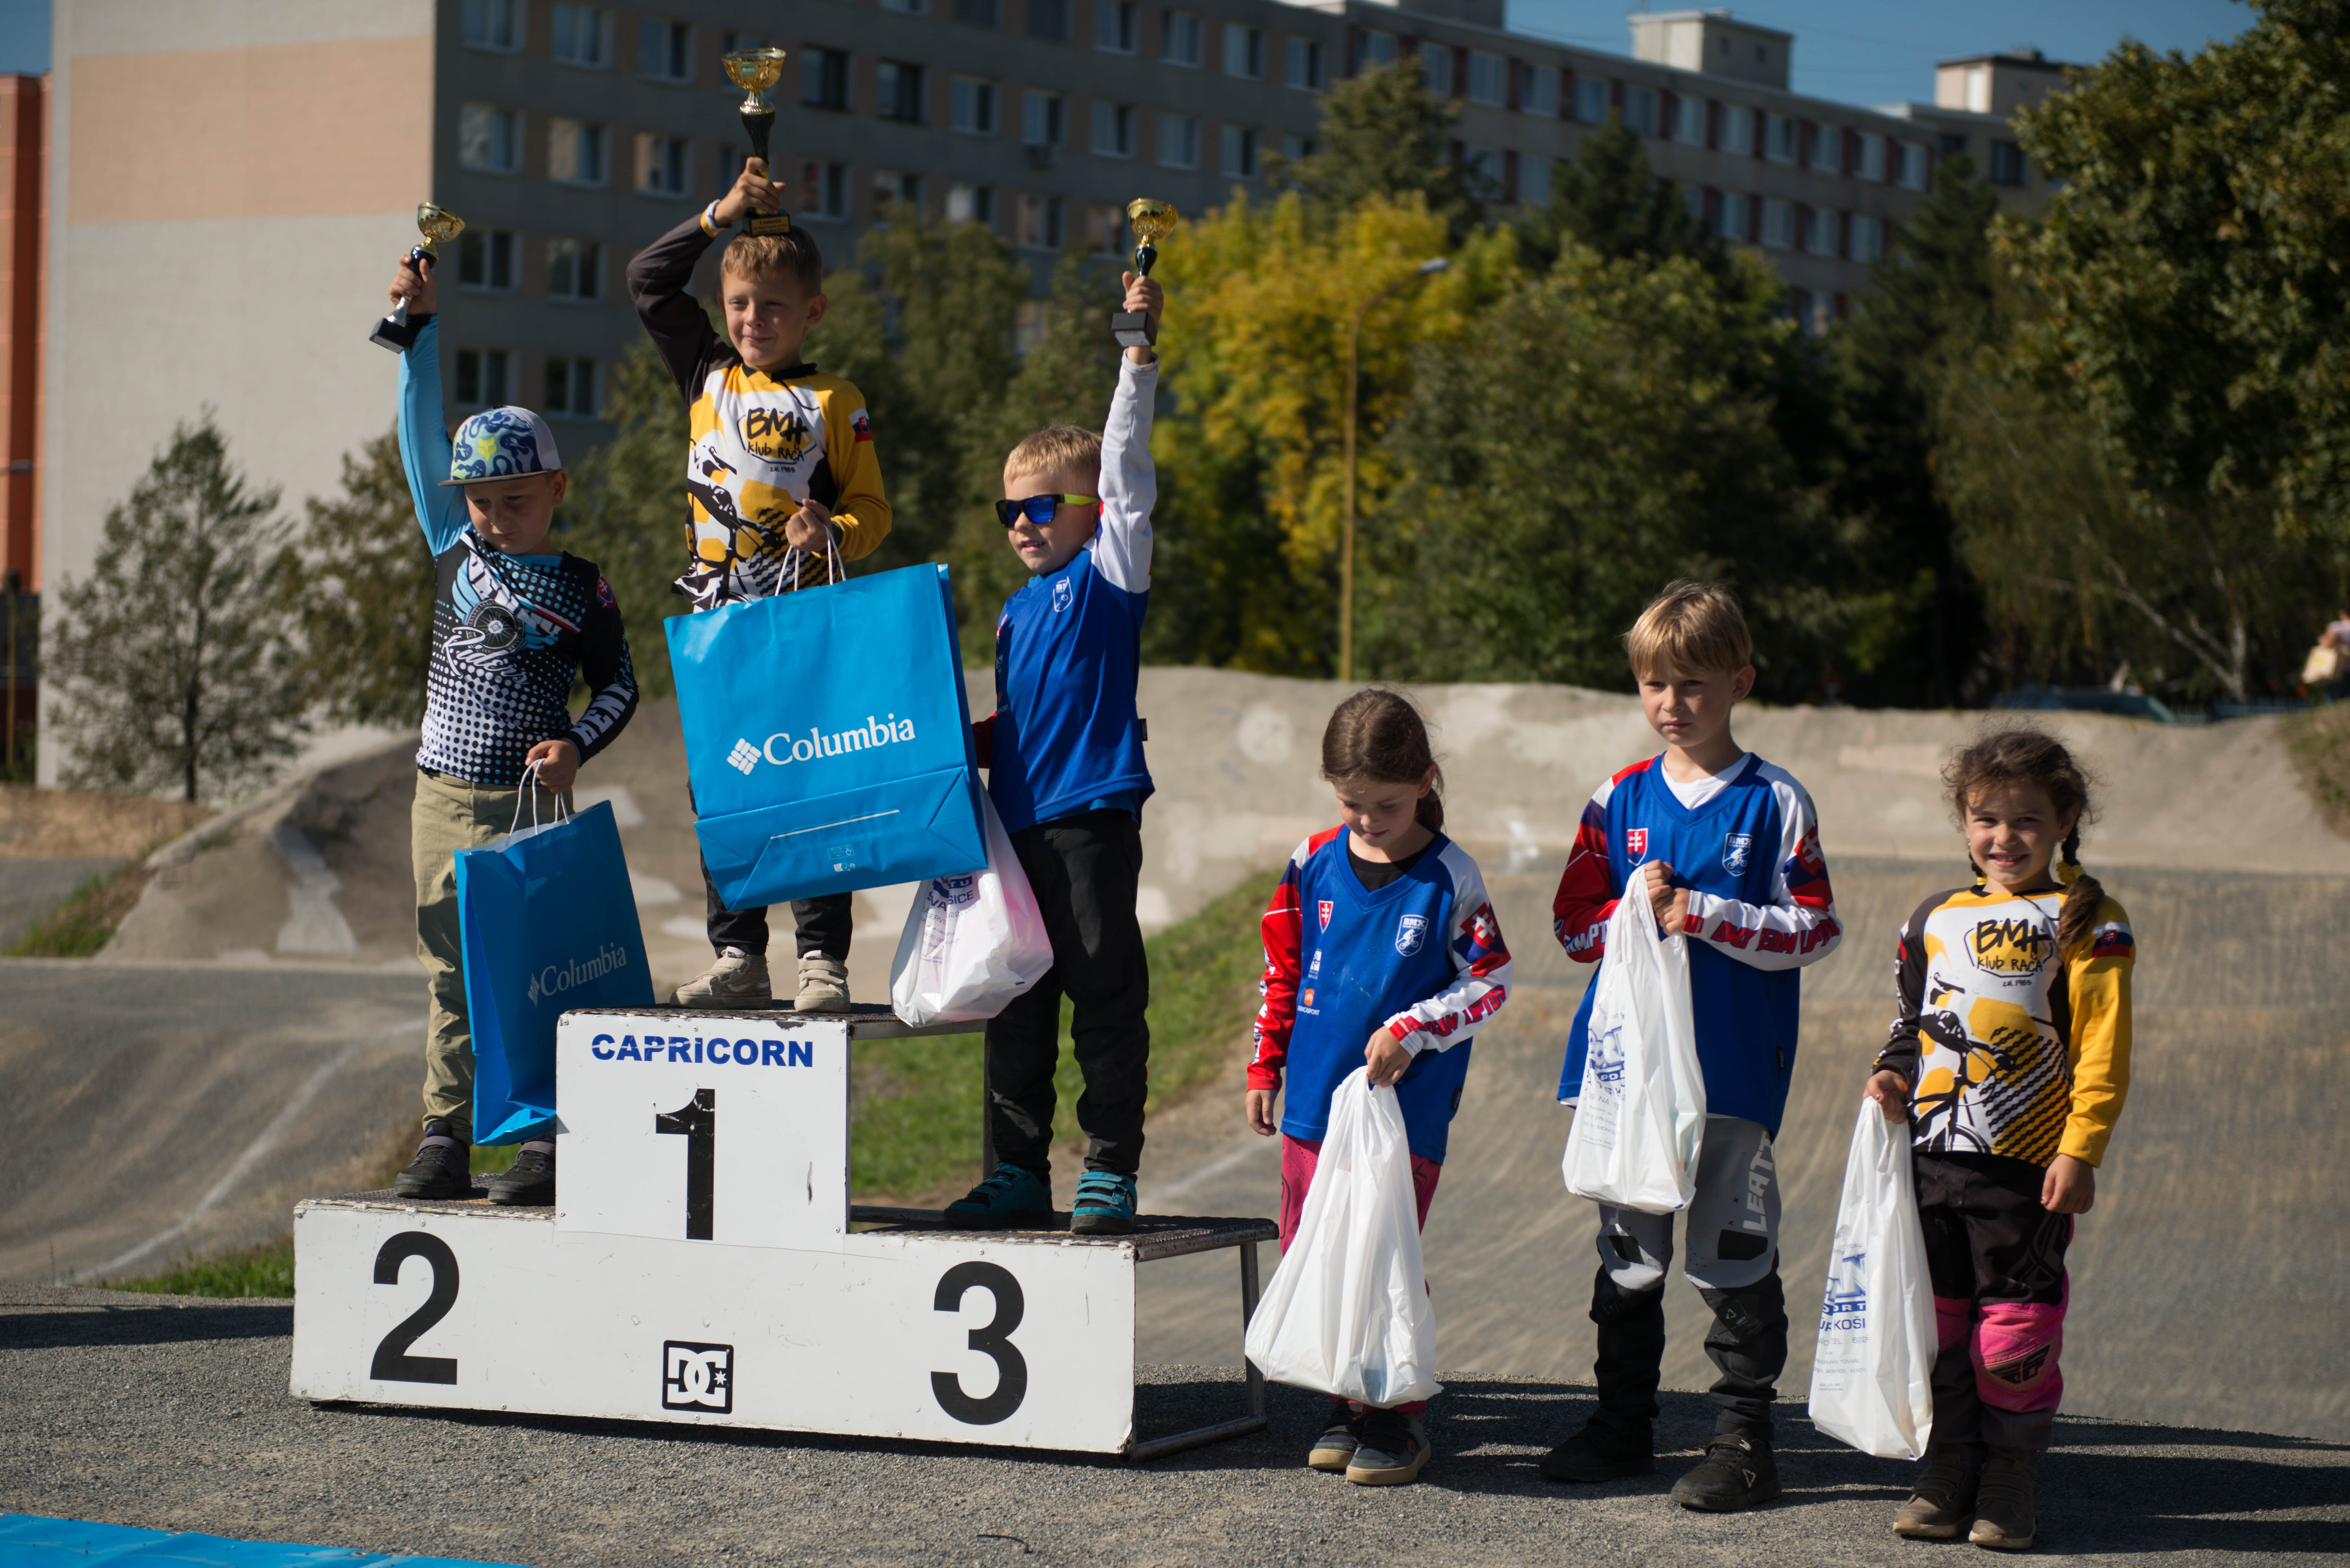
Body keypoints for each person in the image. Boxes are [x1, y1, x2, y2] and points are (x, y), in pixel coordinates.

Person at [1544, 579, 1842, 1511]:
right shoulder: (1617, 798)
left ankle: (1744, 1441)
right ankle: (1621, 1424)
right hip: (1630, 1078)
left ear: (1740, 682)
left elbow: (1818, 928)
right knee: (1628, 1253)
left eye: (1694, 684)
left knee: (1732, 1251)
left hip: (1733, 1072)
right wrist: (1632, 909)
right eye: (1655, 684)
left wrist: (1703, 913)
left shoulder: (1775, 800)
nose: (1673, 703)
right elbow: (1572, 928)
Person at [382, 252, 640, 1205]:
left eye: (516, 501)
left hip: (532, 804)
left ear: (558, 488)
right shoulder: (453, 548)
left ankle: (542, 1140)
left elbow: (620, 686)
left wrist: (577, 745)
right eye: (483, 502)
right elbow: (419, 432)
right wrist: (419, 331)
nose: (496, 518)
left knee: (536, 972)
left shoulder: (582, 585)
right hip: (442, 797)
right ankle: (444, 1135)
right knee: (450, 971)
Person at [624, 156, 892, 1012]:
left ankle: (822, 960)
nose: (752, 320)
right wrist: (722, 213)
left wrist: (832, 529)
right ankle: (739, 953)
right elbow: (647, 279)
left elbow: (874, 510)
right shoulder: (708, 373)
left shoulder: (836, 399)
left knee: (812, 786)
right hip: (717, 628)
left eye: (773, 306)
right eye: (739, 303)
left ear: (812, 312)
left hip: (802, 626)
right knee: (724, 793)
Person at [1864, 729, 2133, 1551]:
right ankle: (1948, 1467)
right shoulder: (1933, 917)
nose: (2004, 837)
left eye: (2026, 820)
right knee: (1941, 1323)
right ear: (1963, 821)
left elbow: (2103, 1046)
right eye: (1986, 819)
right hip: (1931, 1161)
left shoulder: (2089, 920)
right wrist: (1891, 1078)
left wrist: (2081, 1148)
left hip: (2028, 1169)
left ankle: (2010, 1477)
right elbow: (1910, 1024)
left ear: (2065, 821)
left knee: (2014, 1329)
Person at [1243, 689, 1512, 1486]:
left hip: (1403, 1111)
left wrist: (1413, 1028)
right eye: (1351, 803)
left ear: (1425, 781)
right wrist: (1265, 1062)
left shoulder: (1451, 877)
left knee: (1382, 1254)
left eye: (1387, 805)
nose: (1368, 820)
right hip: (1311, 1106)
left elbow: (1490, 982)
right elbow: (1281, 968)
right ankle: (1345, 1401)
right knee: (1317, 1250)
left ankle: (1395, 1413)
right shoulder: (1311, 861)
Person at [941, 269, 1162, 1238]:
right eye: (1009, 512)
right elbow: (1020, 723)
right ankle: (1017, 1172)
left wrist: (1134, 358)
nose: (1022, 524)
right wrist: (949, 746)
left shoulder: (1108, 577)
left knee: (1104, 995)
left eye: (1041, 507)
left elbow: (1126, 470)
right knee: (1016, 1004)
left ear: (1092, 513)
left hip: (1090, 822)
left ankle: (1109, 1168)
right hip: (1016, 830)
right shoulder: (1015, 609)